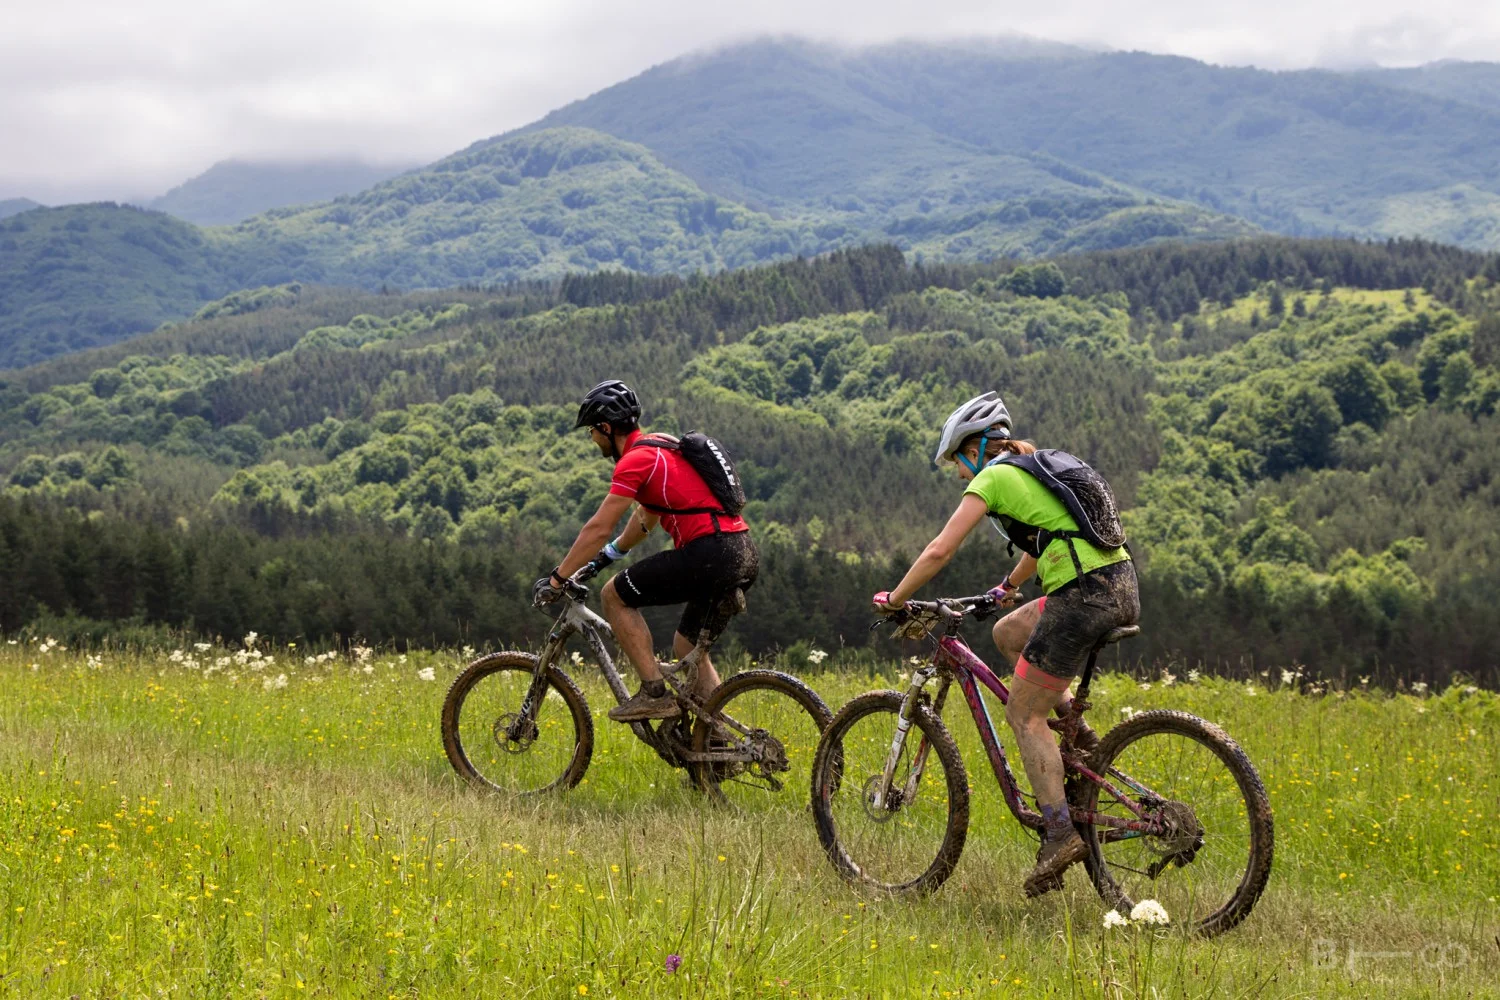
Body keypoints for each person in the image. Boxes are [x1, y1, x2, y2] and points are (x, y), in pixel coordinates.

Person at [872, 391, 1139, 897]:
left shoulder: (993, 477)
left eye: (957, 461)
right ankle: (1080, 738)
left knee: (1023, 715)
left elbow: (940, 550)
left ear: (975, 449)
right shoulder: (1034, 469)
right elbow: (1050, 540)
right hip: (1118, 586)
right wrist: (1007, 587)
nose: (959, 474)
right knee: (1008, 633)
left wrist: (896, 598)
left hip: (1081, 596)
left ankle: (1059, 835)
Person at [533, 380, 759, 722]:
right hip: (742, 550)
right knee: (687, 649)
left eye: (592, 431)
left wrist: (557, 579)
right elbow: (646, 517)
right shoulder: (662, 445)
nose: (592, 438)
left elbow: (598, 527)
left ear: (606, 428)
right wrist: (607, 557)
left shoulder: (634, 461)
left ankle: (654, 694)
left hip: (709, 552)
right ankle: (717, 737)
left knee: (614, 596)